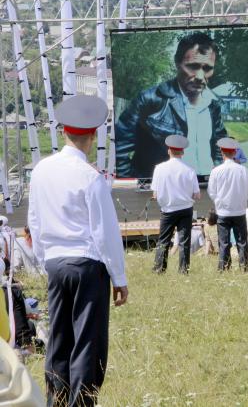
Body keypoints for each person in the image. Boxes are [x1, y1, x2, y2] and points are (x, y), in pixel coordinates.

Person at [28, 94, 128, 407]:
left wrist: (45, 261)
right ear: (94, 134)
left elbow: (35, 221)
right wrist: (119, 276)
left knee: (59, 339)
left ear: (63, 132)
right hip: (87, 265)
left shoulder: (41, 170)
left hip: (56, 263)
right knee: (88, 342)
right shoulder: (91, 177)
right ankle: (82, 402)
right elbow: (105, 233)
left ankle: (55, 400)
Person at [115, 32, 228, 177]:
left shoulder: (213, 104)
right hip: (168, 189)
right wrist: (137, 184)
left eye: (207, 68)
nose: (200, 76)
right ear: (177, 63)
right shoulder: (151, 99)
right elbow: (120, 146)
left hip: (206, 186)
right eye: (193, 67)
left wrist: (218, 175)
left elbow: (220, 146)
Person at [151, 135, 200, 274]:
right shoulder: (190, 169)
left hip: (167, 209)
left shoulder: (159, 168)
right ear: (182, 152)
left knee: (163, 240)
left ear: (169, 151)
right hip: (185, 209)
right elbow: (197, 194)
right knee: (184, 241)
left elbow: (155, 193)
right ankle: (184, 270)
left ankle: (159, 268)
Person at [208, 138, 248, 271]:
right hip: (239, 210)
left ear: (222, 152)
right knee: (242, 242)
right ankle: (245, 268)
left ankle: (224, 267)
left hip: (223, 211)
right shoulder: (243, 170)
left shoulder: (216, 171)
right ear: (234, 153)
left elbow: (211, 191)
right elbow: (246, 189)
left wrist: (219, 202)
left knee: (224, 242)